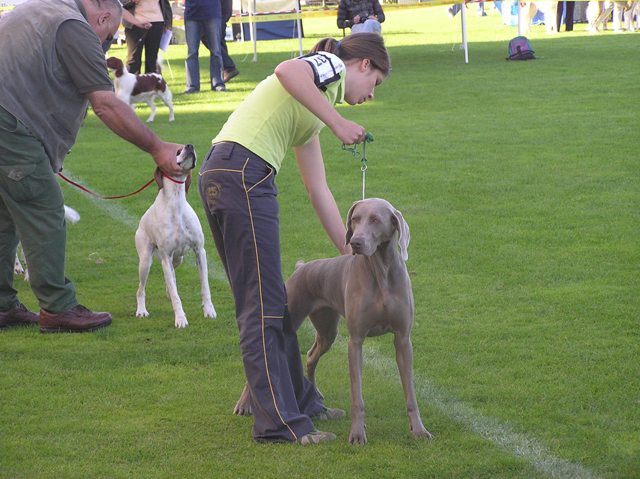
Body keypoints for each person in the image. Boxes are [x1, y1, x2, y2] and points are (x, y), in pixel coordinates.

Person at [198, 33, 390, 444]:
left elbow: (317, 187)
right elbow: (286, 70)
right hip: (244, 174)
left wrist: (348, 248)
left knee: (270, 302)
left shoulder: (314, 108)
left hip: (226, 172)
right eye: (376, 83)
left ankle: (303, 401)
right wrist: (340, 122)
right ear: (363, 65)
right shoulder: (331, 66)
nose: (371, 95)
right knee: (263, 307)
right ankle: (278, 424)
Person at [0, 0, 183, 333]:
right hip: (9, 124)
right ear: (102, 18)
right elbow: (106, 104)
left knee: (4, 213)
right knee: (44, 207)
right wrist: (157, 148)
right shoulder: (74, 26)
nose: (107, 44)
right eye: (110, 35)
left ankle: (2, 305)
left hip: (9, 119)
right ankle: (57, 308)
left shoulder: (38, 8)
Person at [183, 0, 226, 93]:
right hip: (192, 13)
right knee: (192, 53)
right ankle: (192, 85)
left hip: (212, 12)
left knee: (216, 51)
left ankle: (218, 83)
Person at [121, 0, 172, 74]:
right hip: (134, 22)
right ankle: (132, 85)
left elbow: (165, 3)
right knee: (133, 59)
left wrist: (168, 22)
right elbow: (121, 3)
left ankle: (151, 85)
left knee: (152, 59)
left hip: (157, 21)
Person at [220, 0, 239, 83]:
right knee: (219, 40)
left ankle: (228, 67)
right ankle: (225, 69)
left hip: (219, 11)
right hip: (222, 10)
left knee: (214, 40)